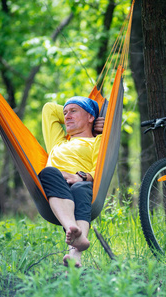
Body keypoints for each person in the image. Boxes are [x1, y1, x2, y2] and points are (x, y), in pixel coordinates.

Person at [38, 96, 104, 268]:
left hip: (81, 185)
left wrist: (80, 177)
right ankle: (72, 229)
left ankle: (75, 254)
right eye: (65, 113)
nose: (66, 116)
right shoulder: (57, 143)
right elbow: (49, 109)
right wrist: (82, 116)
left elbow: (100, 170)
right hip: (56, 186)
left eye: (73, 111)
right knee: (48, 172)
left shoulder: (97, 141)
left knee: (81, 189)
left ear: (90, 117)